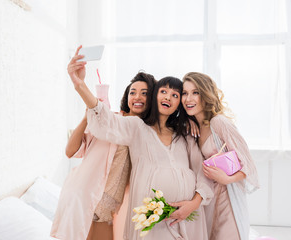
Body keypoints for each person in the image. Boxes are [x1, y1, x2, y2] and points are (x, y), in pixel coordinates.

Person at [66, 46, 213, 240]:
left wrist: (194, 204)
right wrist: (80, 85)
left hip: (185, 221)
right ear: (156, 96)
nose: (168, 97)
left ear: (179, 104)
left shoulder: (185, 135)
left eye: (175, 95)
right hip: (150, 226)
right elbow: (105, 120)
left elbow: (203, 171)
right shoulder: (136, 128)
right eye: (163, 91)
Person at [50, 59, 156, 239]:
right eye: (133, 92)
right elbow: (70, 151)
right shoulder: (108, 120)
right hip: (85, 198)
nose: (137, 97)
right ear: (127, 97)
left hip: (106, 209)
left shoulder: (145, 131)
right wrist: (86, 116)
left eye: (144, 93)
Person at [181, 72, 259, 240]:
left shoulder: (219, 123)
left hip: (228, 199)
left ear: (206, 94)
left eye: (195, 92)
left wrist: (227, 179)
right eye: (184, 93)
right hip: (209, 199)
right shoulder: (194, 127)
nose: (188, 99)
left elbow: (249, 164)